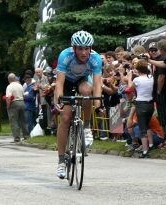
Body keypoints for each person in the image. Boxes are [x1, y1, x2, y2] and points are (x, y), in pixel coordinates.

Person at [54, 30, 102, 179]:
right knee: (66, 118)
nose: (83, 52)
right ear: (73, 48)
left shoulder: (95, 58)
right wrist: (58, 100)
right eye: (80, 48)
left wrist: (98, 104)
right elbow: (59, 83)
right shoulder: (65, 56)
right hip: (67, 82)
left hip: (82, 80)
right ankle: (61, 162)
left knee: (87, 92)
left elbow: (97, 84)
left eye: (87, 48)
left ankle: (86, 127)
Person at [127, 59, 154, 158]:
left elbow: (130, 88)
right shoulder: (151, 77)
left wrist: (130, 77)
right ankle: (151, 144)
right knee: (148, 125)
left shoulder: (137, 80)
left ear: (138, 69)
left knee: (143, 127)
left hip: (141, 103)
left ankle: (145, 150)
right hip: (150, 103)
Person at [6, 73, 29, 142]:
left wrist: (8, 105)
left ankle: (16, 137)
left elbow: (8, 97)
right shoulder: (20, 85)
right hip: (22, 102)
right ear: (15, 78)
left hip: (14, 103)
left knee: (14, 121)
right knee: (23, 121)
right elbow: (24, 95)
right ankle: (26, 136)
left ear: (8, 79)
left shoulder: (9, 86)